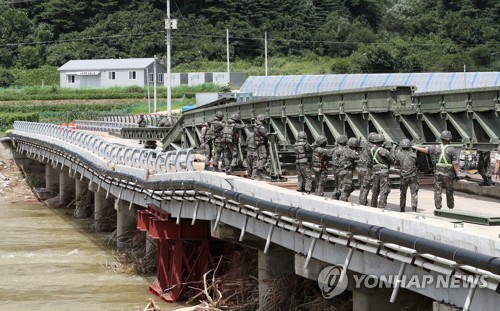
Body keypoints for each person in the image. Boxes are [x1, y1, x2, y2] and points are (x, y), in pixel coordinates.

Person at [414, 131, 460, 209]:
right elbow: (455, 163)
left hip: (438, 173)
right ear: (450, 139)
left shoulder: (435, 148)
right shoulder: (452, 150)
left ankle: (438, 207)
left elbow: (424, 150)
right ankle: (450, 207)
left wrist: (414, 147)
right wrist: (457, 174)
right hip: (448, 174)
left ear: (441, 139)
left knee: (437, 191)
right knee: (449, 191)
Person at [370, 134, 394, 209]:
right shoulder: (383, 150)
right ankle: (381, 206)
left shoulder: (372, 149)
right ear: (382, 142)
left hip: (375, 171)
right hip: (383, 171)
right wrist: (392, 150)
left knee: (375, 189)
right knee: (384, 189)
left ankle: (373, 205)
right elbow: (391, 160)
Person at [394, 138, 418, 212]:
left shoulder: (398, 154)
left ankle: (402, 208)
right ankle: (414, 209)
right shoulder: (414, 154)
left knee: (403, 193)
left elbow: (395, 164)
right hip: (413, 176)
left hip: (404, 176)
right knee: (414, 193)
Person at [358, 132, 377, 205]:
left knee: (362, 186)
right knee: (365, 186)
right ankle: (362, 202)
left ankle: (362, 200)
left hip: (360, 168)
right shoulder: (372, 147)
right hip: (366, 169)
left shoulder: (365, 145)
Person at [338, 137, 360, 202]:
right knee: (347, 187)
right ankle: (343, 200)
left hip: (342, 170)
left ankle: (338, 193)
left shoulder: (344, 149)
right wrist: (356, 151)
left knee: (350, 186)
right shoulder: (351, 152)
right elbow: (358, 157)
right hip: (347, 171)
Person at [331, 135, 348, 200]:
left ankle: (335, 196)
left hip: (335, 168)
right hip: (341, 169)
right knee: (344, 184)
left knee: (337, 184)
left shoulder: (335, 149)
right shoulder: (345, 149)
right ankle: (341, 197)